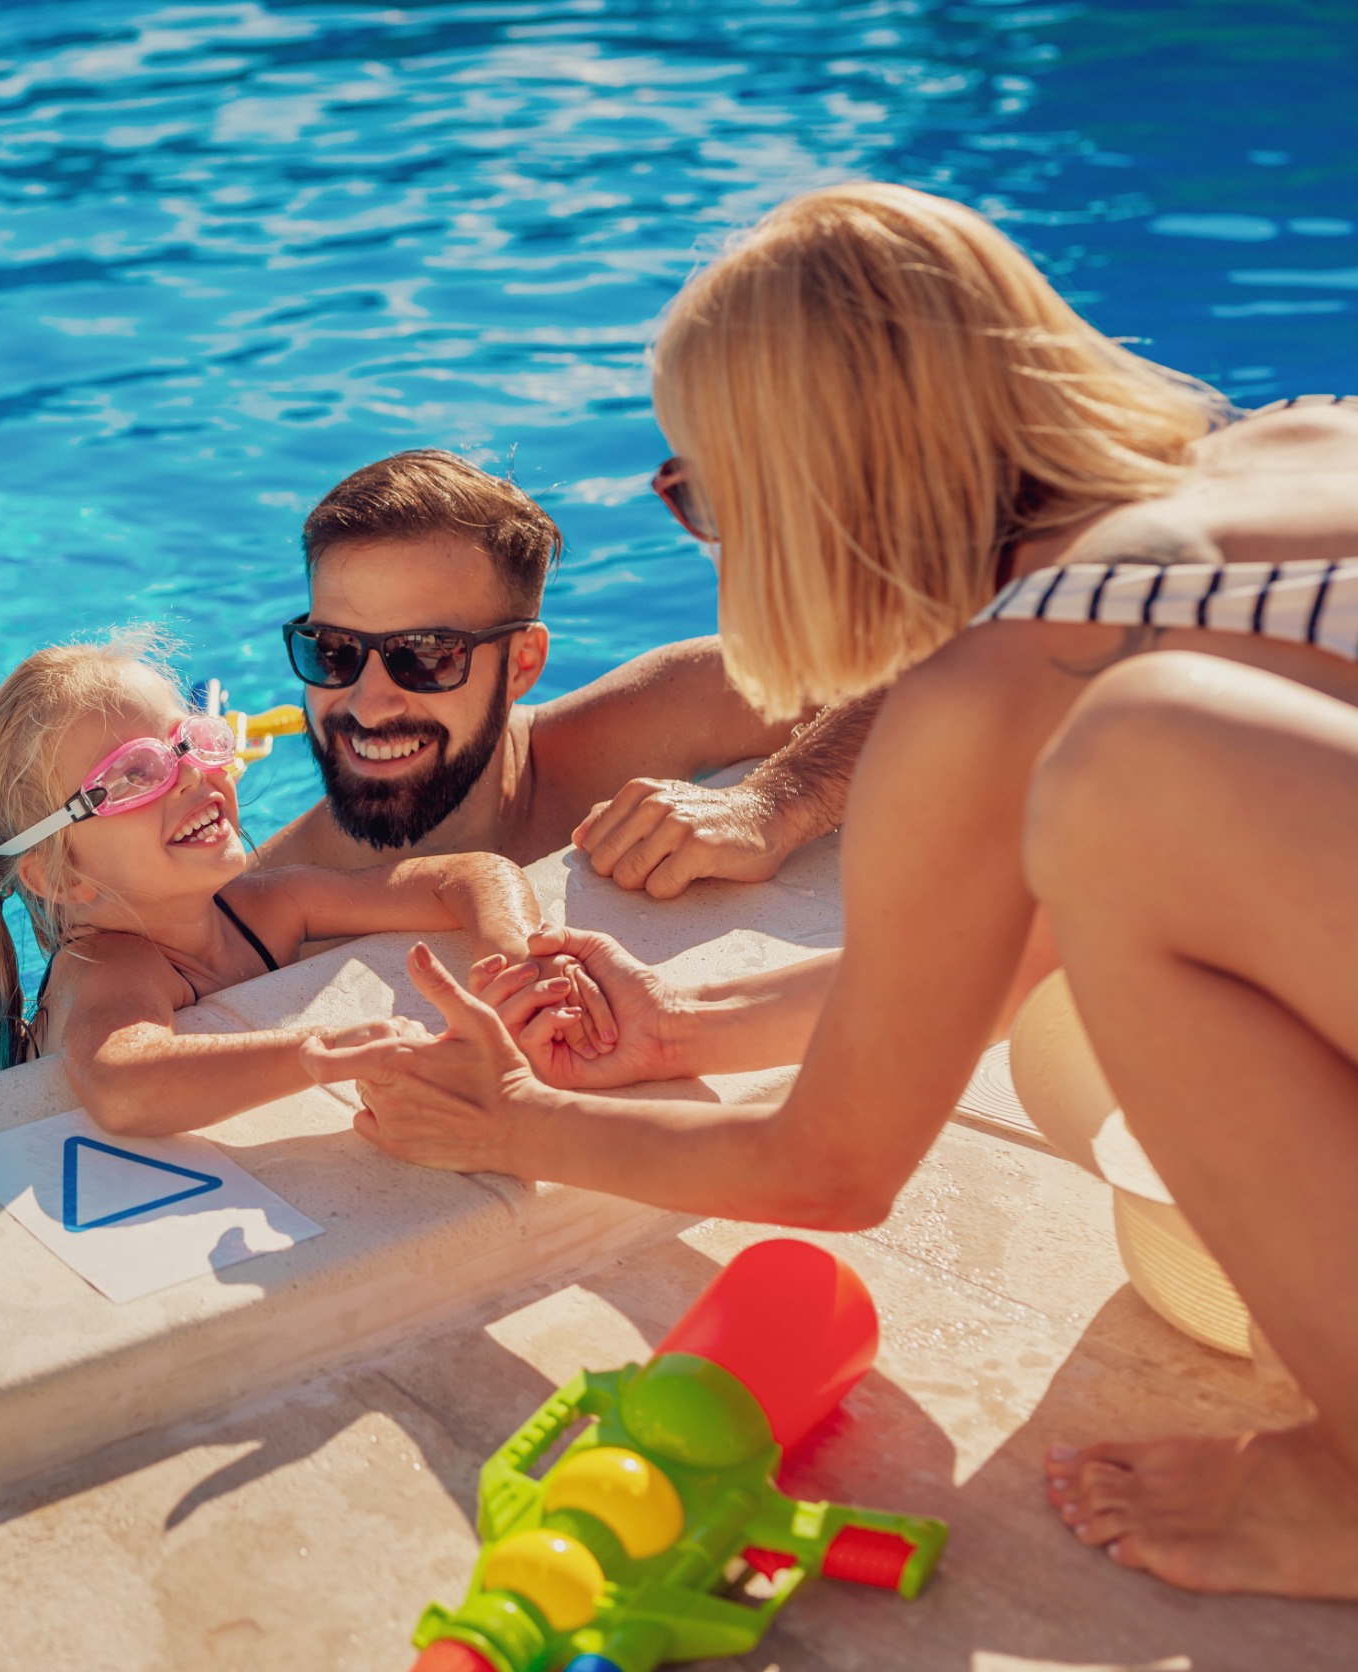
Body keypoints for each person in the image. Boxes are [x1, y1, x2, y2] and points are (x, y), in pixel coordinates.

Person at [300, 182, 1358, 1600]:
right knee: (1130, 835)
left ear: (803, 489)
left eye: (694, 490)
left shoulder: (1004, 692)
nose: (698, 529)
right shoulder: (1294, 448)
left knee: (1130, 777)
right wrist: (680, 1029)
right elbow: (1111, 913)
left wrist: (524, 1122)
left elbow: (836, 1167)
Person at [0, 627, 609, 1135]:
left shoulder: (262, 906)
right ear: (58, 874)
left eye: (191, 739)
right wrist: (326, 1050)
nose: (195, 774)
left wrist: (517, 961)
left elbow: (469, 875)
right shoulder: (109, 968)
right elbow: (122, 1084)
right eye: (134, 775)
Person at [250, 448, 882, 895]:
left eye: (425, 653)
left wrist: (773, 806)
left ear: (523, 663)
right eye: (332, 650)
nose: (367, 704)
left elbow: (933, 671)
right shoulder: (252, 902)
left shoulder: (643, 724)